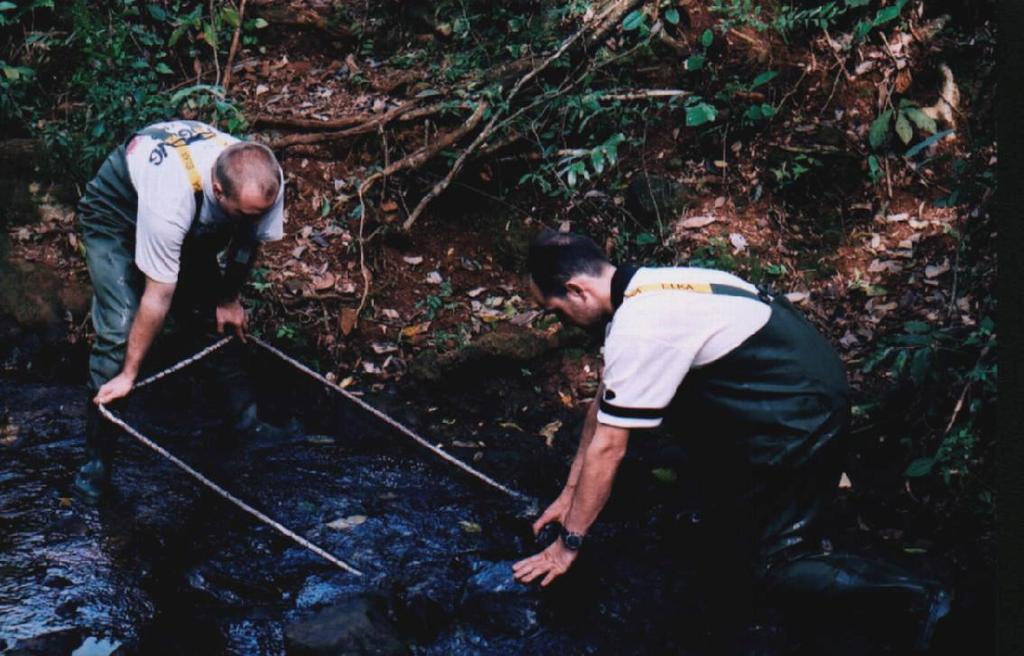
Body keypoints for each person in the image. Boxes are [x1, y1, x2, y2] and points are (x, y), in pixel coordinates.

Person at [512, 229, 950, 651]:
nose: (562, 324)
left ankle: (917, 599)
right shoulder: (647, 286)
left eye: (555, 311)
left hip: (800, 412)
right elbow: (606, 404)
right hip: (783, 386)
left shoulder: (641, 327)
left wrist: (567, 546)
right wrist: (569, 494)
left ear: (577, 291)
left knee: (777, 565)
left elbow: (610, 445)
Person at [73, 119, 290, 502]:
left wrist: (228, 298)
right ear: (219, 192)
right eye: (245, 213)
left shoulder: (263, 182)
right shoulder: (170, 199)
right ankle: (96, 464)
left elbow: (247, 241)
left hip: (193, 218)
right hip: (118, 212)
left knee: (216, 316)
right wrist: (130, 373)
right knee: (120, 330)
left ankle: (247, 424)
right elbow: (158, 296)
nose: (257, 219)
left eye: (261, 212)